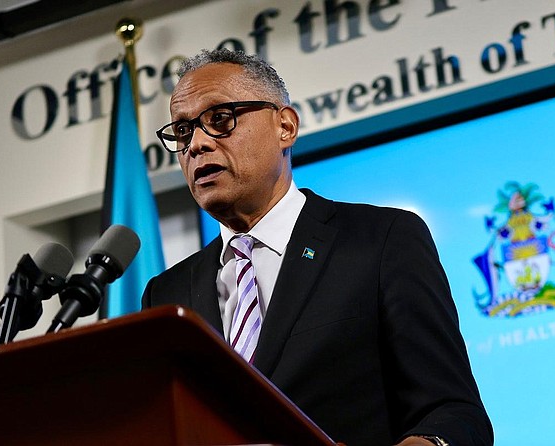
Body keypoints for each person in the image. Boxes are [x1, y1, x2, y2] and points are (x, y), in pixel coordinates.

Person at [142, 48, 493, 446]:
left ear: (285, 127)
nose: (196, 145)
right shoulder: (166, 294)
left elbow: (453, 414)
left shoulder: (380, 239)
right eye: (183, 132)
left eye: (220, 119)